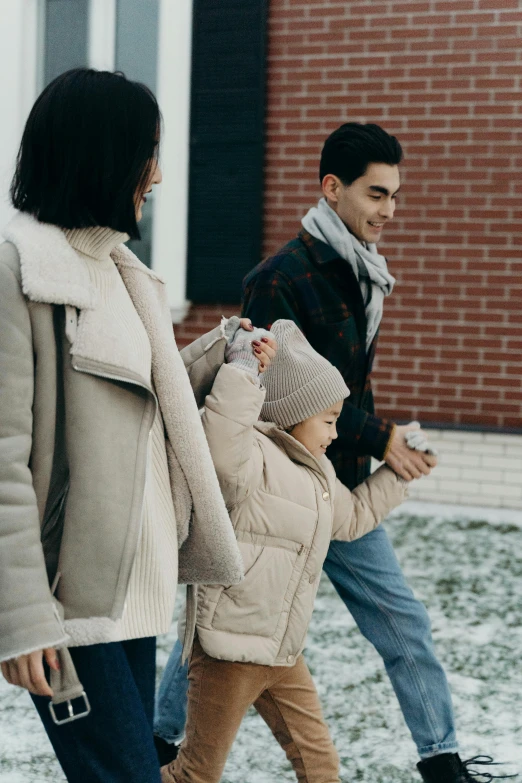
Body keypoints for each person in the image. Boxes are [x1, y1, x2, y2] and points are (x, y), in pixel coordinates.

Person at [0, 68, 274, 783]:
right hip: (72, 599)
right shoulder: (20, 271)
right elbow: (4, 454)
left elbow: (134, 398)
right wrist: (24, 614)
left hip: (136, 588)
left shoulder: (122, 271)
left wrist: (219, 351)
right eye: (147, 150)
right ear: (103, 154)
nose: (156, 172)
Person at [160, 319, 411, 783]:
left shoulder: (318, 475)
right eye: (329, 420)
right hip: (228, 652)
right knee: (195, 775)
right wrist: (242, 370)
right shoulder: (248, 457)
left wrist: (401, 476)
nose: (336, 434)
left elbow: (351, 517)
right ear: (295, 413)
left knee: (321, 768)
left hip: (282, 653)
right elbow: (217, 450)